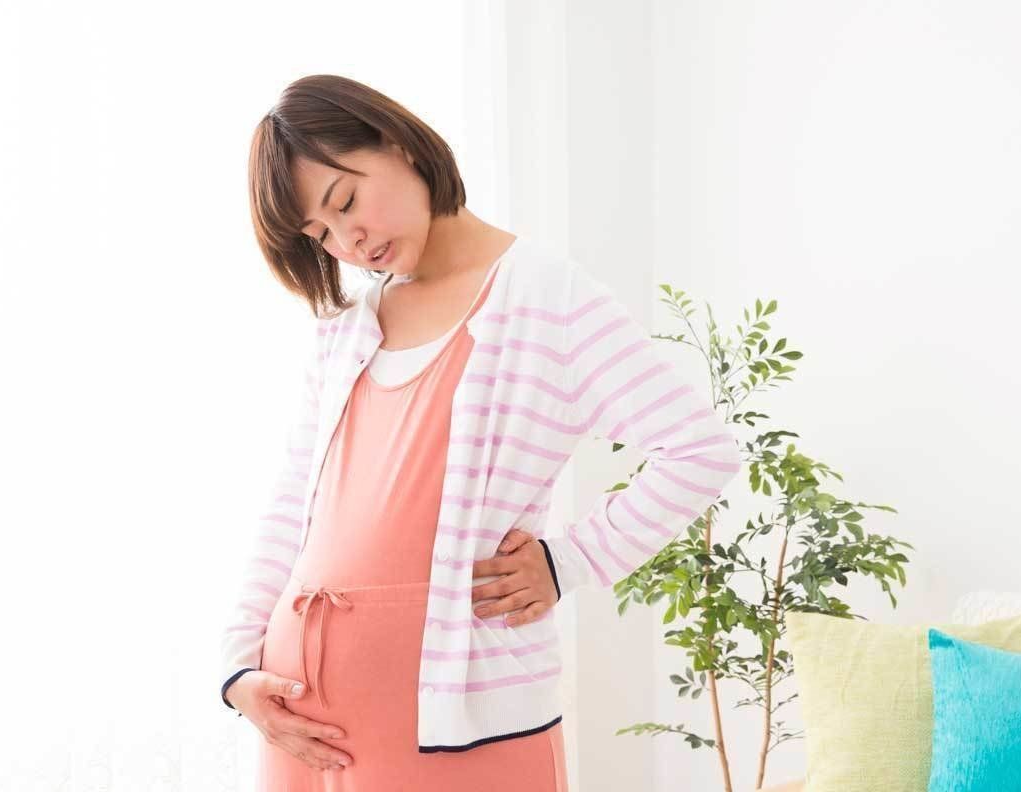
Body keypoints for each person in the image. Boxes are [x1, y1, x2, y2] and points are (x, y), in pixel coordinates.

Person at [219, 74, 743, 791]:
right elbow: (292, 509)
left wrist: (567, 562)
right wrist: (238, 668)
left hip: (461, 726)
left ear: (399, 145)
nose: (349, 240)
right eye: (321, 234)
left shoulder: (548, 298)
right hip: (303, 719)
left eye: (345, 202)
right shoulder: (345, 330)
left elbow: (698, 451)